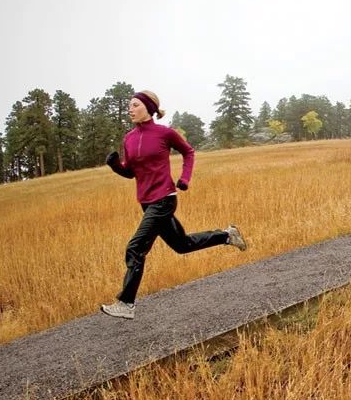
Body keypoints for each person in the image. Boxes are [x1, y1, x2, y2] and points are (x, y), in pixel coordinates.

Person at [101, 90, 247, 320]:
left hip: (164, 199)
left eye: (135, 105)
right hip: (146, 202)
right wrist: (115, 166)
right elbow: (130, 172)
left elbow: (188, 152)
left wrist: (185, 178)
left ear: (148, 108)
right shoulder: (128, 138)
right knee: (182, 245)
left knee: (135, 248)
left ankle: (126, 302)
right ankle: (227, 236)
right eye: (129, 105)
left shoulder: (165, 133)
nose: (130, 109)